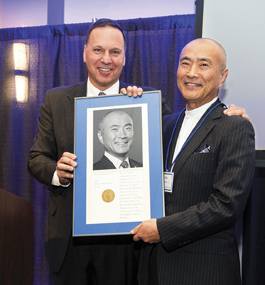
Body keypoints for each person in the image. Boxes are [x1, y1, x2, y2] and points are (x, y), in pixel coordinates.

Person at [27, 17, 249, 284]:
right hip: (68, 238)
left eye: (115, 52)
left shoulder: (145, 104)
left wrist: (227, 114)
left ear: (124, 58)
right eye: (98, 50)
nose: (106, 59)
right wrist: (57, 172)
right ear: (85, 53)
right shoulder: (56, 99)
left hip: (125, 244)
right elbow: (36, 158)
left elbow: (196, 128)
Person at [131, 38, 256, 285]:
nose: (191, 73)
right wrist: (128, 103)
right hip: (153, 268)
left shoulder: (234, 127)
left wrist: (162, 230)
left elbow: (227, 205)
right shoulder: (165, 124)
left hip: (203, 271)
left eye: (203, 65)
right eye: (185, 63)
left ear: (222, 77)